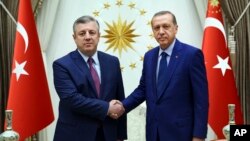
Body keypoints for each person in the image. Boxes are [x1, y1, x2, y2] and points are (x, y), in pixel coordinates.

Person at [120, 11, 209, 141]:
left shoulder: (192, 55)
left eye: (165, 26)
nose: (161, 31)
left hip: (182, 134)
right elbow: (143, 89)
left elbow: (201, 100)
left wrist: (199, 135)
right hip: (153, 133)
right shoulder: (149, 56)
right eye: (156, 28)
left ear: (176, 28)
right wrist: (122, 106)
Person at [53, 15, 127, 141]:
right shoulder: (62, 65)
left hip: (108, 134)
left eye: (92, 32)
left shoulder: (112, 62)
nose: (87, 37)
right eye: (82, 33)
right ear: (74, 38)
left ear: (98, 36)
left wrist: (120, 136)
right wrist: (107, 108)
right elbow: (72, 99)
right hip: (75, 135)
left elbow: (119, 98)